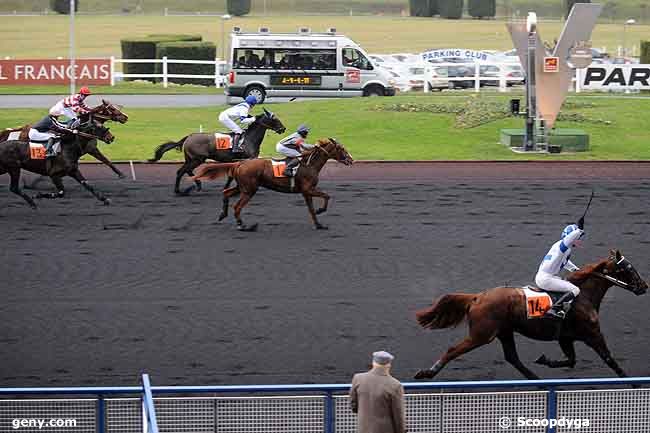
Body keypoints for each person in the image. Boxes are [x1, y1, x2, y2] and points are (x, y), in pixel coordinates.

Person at [535, 217, 585, 320]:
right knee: (575, 289)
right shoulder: (562, 246)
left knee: (566, 282)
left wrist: (576, 270)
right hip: (547, 279)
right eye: (578, 238)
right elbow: (567, 239)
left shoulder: (562, 249)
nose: (579, 240)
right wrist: (579, 229)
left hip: (546, 277)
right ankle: (554, 309)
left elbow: (565, 262)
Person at [350, 351, 406, 433]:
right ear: (389, 365)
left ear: (373, 363)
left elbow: (354, 406)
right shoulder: (395, 385)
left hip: (363, 429)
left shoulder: (358, 378)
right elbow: (398, 416)